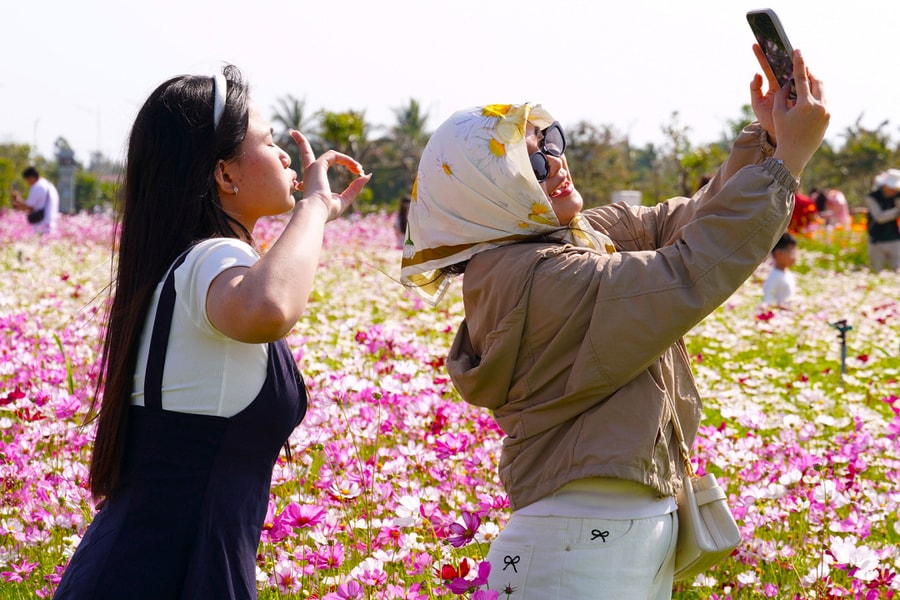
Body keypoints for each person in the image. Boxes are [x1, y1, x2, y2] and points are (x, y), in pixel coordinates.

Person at [400, 47, 828, 598]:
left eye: (550, 144)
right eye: (531, 163)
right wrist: (784, 165)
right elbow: (686, 270)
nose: (556, 164)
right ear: (485, 193)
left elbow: (678, 224)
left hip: (601, 539)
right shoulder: (540, 278)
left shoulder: (562, 243)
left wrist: (766, 141)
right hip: (579, 546)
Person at [53, 65, 370, 600]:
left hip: (141, 567)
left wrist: (315, 214)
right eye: (269, 142)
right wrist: (315, 206)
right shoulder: (213, 257)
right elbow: (269, 306)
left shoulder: (185, 263)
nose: (287, 157)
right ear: (225, 175)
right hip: (168, 574)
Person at [864, 169, 900, 272]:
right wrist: (897, 212)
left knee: (898, 270)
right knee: (877, 270)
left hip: (894, 238)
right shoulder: (872, 197)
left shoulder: (897, 196)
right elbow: (879, 217)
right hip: (876, 239)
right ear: (884, 185)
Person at [11, 165, 59, 234]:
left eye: (28, 180)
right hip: (50, 224)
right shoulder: (49, 185)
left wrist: (16, 199)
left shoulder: (38, 186)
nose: (28, 183)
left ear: (31, 177)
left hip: (42, 225)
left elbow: (28, 206)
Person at [762, 231, 798, 308]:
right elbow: (768, 301)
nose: (795, 257)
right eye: (792, 253)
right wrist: (783, 307)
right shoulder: (773, 277)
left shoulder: (788, 273)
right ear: (779, 254)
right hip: (780, 315)